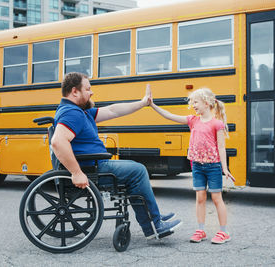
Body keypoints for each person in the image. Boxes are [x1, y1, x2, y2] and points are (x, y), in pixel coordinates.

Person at [51, 72, 182, 239]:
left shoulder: (80, 112)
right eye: (88, 89)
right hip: (93, 169)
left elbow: (113, 110)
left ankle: (152, 218)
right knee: (138, 170)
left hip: (95, 165)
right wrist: (77, 173)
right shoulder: (72, 113)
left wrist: (142, 103)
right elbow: (58, 142)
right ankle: (154, 224)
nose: (92, 93)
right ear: (75, 91)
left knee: (134, 170)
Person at [149, 86, 235, 244]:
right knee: (200, 198)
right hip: (197, 166)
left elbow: (222, 148)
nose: (193, 105)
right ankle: (201, 230)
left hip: (213, 166)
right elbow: (170, 116)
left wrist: (225, 168)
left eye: (196, 102)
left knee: (217, 198)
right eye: (192, 102)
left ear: (207, 103)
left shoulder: (217, 124)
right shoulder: (192, 120)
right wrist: (154, 106)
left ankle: (224, 232)